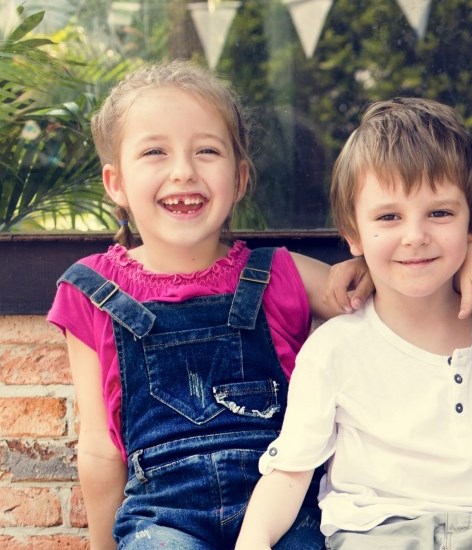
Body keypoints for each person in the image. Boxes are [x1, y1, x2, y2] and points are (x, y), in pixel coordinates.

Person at [235, 98, 472, 549]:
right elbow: (291, 472)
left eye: (440, 213)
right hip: (375, 533)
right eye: (388, 217)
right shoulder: (336, 349)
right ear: (352, 233)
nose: (415, 235)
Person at [49, 61, 338, 550]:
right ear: (115, 183)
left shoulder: (283, 275)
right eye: (155, 152)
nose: (183, 171)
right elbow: (100, 449)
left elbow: (399, 283)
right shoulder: (91, 291)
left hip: (282, 512)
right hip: (161, 522)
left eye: (207, 150)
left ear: (240, 177)